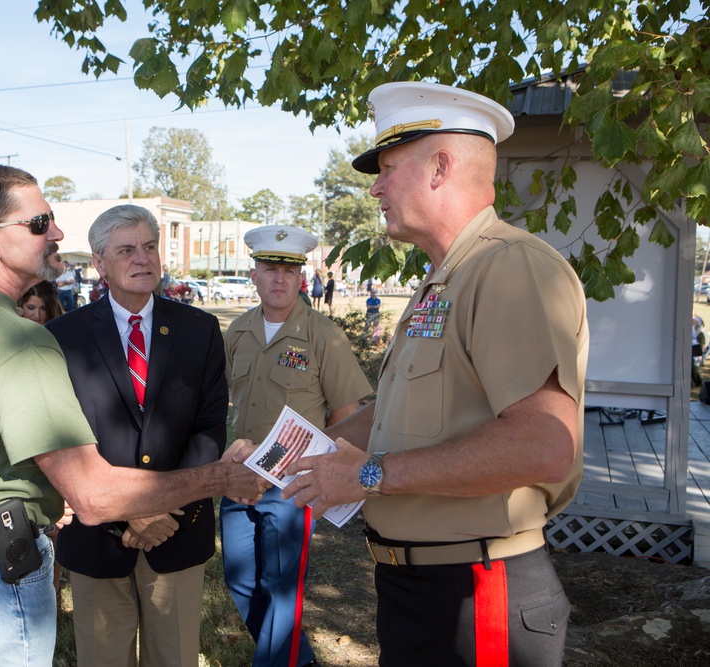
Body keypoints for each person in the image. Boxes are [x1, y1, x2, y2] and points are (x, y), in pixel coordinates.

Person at [0, 164, 265, 667]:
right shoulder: (13, 337)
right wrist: (222, 476)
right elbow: (93, 494)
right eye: (40, 224)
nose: (57, 234)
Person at [277, 81, 589, 667]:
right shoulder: (446, 277)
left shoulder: (508, 267)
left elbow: (545, 444)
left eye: (388, 167)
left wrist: (368, 474)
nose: (374, 187)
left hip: (477, 591)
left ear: (439, 167)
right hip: (423, 589)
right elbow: (398, 416)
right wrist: (302, 458)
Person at [46, 204, 227, 667]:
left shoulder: (200, 330)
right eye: (126, 250)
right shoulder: (61, 337)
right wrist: (130, 511)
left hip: (177, 528)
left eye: (150, 247)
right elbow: (62, 438)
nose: (142, 259)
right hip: (96, 537)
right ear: (100, 263)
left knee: (176, 658)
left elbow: (209, 431)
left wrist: (158, 506)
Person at [221, 225, 371, 667]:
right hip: (242, 479)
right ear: (254, 275)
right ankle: (297, 659)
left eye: (289, 269)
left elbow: (349, 416)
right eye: (270, 268)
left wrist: (328, 472)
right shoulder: (239, 331)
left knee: (282, 588)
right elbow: (230, 398)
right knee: (241, 581)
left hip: (292, 486)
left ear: (302, 277)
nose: (279, 278)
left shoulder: (324, 335)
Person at [693, 316, 706, 388]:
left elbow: (703, 344)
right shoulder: (693, 330)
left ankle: (700, 382)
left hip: (696, 354)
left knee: (696, 369)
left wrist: (700, 354)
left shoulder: (700, 333)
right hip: (692, 352)